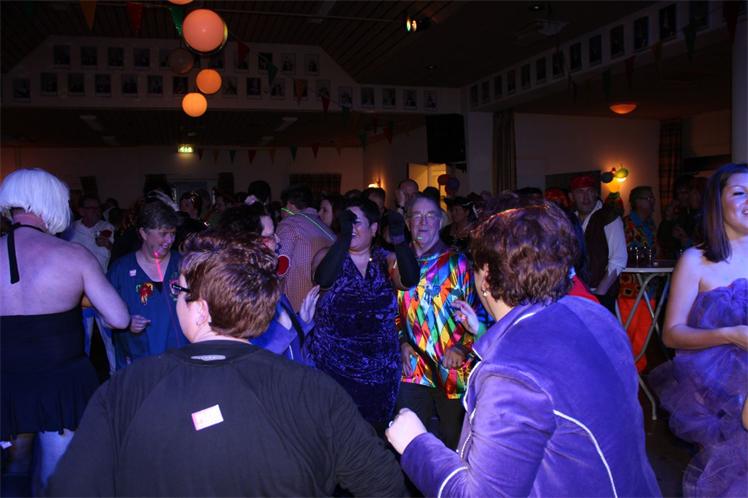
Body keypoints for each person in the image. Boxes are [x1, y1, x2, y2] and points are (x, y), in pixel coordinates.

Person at [46, 232, 407, 497]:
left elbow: (70, 489)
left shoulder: (129, 388)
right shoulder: (314, 390)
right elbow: (385, 485)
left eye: (179, 291)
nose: (175, 299)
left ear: (201, 310)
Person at [386, 200, 661, 497]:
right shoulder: (595, 316)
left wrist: (415, 444)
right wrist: (480, 332)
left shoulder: (508, 373)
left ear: (486, 276)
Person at [0, 169, 129, 495]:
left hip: (6, 379)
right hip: (61, 382)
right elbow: (119, 318)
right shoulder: (73, 255)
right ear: (52, 203)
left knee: (11, 472)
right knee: (57, 476)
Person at [650, 163, 748, 497]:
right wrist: (730, 334)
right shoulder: (696, 260)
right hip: (718, 394)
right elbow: (672, 333)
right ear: (717, 202)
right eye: (740, 193)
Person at [311, 199, 419, 432]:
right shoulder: (327, 256)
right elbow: (323, 280)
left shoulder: (386, 259)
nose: (351, 228)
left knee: (374, 438)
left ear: (374, 228)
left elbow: (409, 279)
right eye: (347, 222)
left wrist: (400, 240)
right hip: (335, 369)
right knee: (336, 436)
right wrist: (344, 238)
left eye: (357, 222)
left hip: (380, 374)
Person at [395, 193, 488, 450]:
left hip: (453, 369)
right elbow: (391, 312)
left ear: (440, 221)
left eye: (430, 216)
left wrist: (462, 348)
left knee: (455, 444)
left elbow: (481, 313)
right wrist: (402, 342)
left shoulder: (459, 264)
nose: (423, 222)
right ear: (407, 222)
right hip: (413, 370)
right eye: (417, 216)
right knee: (411, 444)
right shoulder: (397, 265)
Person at [217, 203, 319, 364]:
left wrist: (302, 322)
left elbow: (290, 348)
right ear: (247, 243)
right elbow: (249, 362)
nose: (278, 241)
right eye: (270, 236)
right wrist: (286, 331)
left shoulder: (266, 282)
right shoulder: (237, 294)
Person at [106, 200, 187, 369]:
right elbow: (105, 316)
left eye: (173, 233)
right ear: (143, 233)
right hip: (139, 362)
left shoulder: (184, 264)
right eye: (163, 234)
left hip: (180, 361)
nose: (169, 240)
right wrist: (126, 321)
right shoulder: (121, 270)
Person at [570, 174, 627, 312]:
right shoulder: (570, 219)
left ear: (596, 194)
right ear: (572, 196)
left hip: (600, 292)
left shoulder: (608, 217)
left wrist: (599, 294)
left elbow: (618, 259)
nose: (586, 197)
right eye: (580, 192)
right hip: (574, 292)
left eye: (590, 191)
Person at [277, 184, 335, 311]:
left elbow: (281, 267)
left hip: (294, 308)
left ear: (289, 205)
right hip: (322, 307)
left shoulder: (289, 224)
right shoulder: (329, 232)